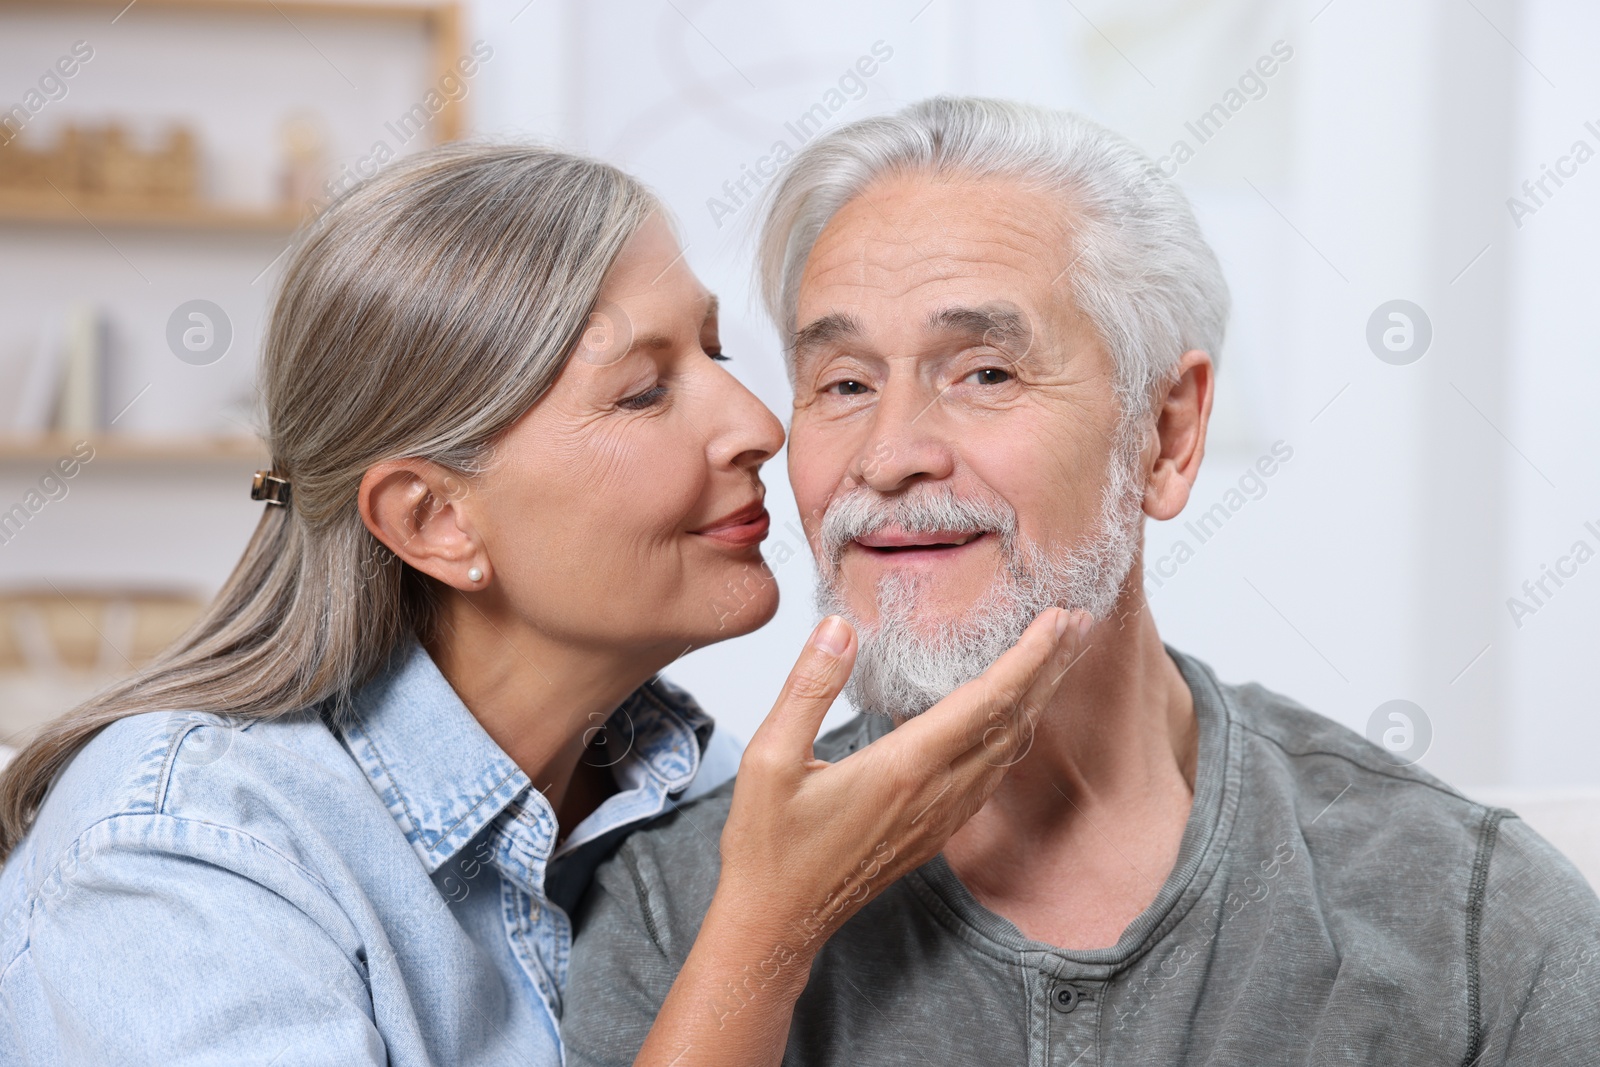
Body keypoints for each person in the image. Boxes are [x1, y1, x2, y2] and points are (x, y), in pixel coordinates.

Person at [0, 142, 1092, 1065]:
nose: (759, 422)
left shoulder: (695, 799)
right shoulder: (179, 859)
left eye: (711, 348)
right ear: (435, 520)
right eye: (643, 389)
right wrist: (769, 929)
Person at [561, 97, 1600, 1065]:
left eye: (984, 373)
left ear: (1166, 432)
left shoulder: (1470, 919)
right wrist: (766, 940)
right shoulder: (673, 907)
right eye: (842, 382)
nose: (886, 457)